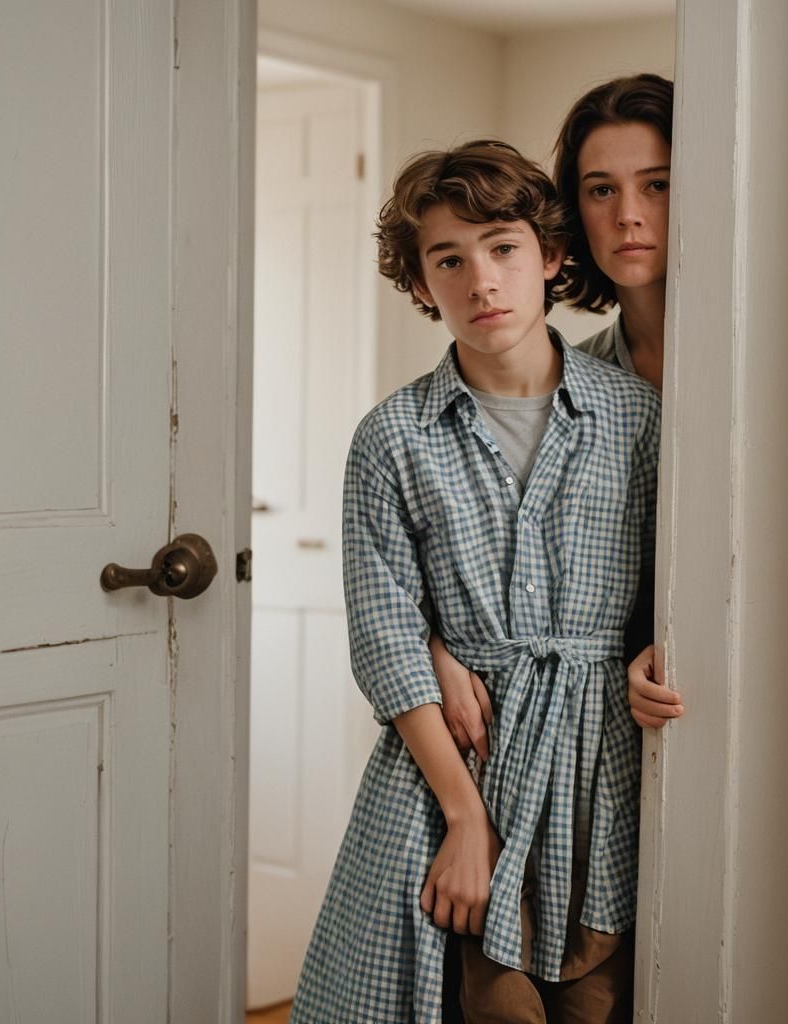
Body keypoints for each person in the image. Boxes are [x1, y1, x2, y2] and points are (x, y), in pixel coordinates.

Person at [289, 140, 659, 1024]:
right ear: (421, 286)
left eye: (502, 247)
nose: (481, 281)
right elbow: (383, 632)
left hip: (601, 778)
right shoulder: (393, 439)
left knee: (599, 1000)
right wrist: (464, 818)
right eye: (448, 260)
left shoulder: (636, 418)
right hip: (457, 771)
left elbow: (668, 589)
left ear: (552, 258)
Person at [430, 75, 684, 774]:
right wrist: (439, 646)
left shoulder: (757, 379)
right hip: (587, 732)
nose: (629, 214)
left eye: (657, 185)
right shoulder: (584, 382)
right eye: (602, 189)